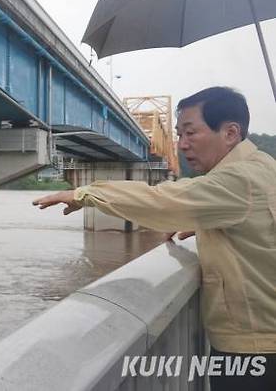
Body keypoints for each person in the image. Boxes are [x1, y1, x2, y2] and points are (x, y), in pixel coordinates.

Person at [32, 87, 275, 390]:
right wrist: (207, 226)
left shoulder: (239, 179)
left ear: (230, 133)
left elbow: (161, 200)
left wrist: (87, 193)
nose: (181, 145)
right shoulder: (264, 167)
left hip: (253, 351)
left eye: (190, 133)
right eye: (178, 134)